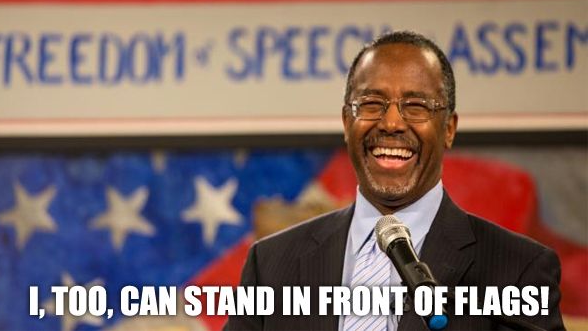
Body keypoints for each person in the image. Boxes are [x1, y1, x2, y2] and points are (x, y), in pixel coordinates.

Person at [226, 31, 564, 330]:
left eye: (416, 106)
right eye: (371, 103)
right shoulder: (271, 264)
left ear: (448, 128)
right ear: (347, 122)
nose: (391, 123)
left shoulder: (517, 268)